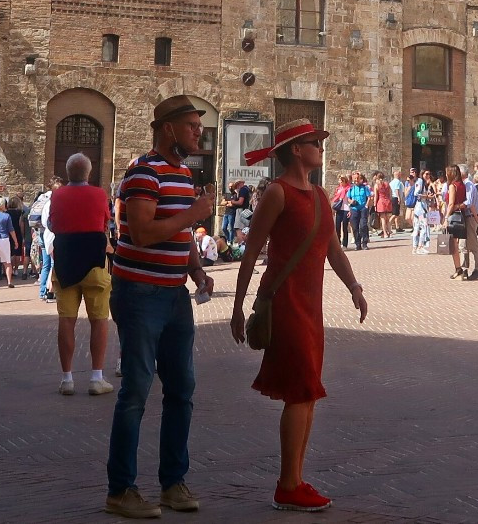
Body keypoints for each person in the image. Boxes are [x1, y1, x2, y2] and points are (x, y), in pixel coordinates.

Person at [229, 119, 368, 513]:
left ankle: (295, 479)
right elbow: (252, 251)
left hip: (311, 307)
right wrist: (239, 306)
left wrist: (354, 287)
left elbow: (334, 251)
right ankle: (288, 484)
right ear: (295, 149)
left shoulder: (322, 195)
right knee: (301, 390)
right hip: (286, 303)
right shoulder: (278, 192)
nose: (321, 149)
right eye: (314, 143)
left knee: (307, 393)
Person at [103, 94, 217, 519]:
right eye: (192, 125)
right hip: (139, 296)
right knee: (135, 390)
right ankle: (121, 489)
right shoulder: (141, 173)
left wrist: (196, 272)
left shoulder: (183, 174)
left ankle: (172, 482)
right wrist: (194, 213)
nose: (198, 132)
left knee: (182, 390)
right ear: (168, 128)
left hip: (173, 296)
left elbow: (180, 237)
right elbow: (146, 233)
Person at [51, 152, 116, 397]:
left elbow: (53, 225)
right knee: (99, 320)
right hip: (94, 262)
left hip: (65, 262)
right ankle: (96, 377)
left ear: (68, 173)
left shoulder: (57, 195)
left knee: (66, 320)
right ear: (88, 173)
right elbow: (104, 224)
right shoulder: (100, 194)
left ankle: (66, 378)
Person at [442, 165, 471, 279]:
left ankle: (459, 268)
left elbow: (451, 204)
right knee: (460, 243)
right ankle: (461, 268)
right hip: (462, 215)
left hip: (454, 216)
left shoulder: (452, 186)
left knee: (454, 244)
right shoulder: (462, 185)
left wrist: (445, 218)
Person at [33, 179, 59, 301]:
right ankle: (50, 291)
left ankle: (42, 291)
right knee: (54, 264)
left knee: (46, 264)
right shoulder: (54, 202)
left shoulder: (43, 200)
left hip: (44, 234)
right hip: (52, 235)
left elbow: (44, 221)